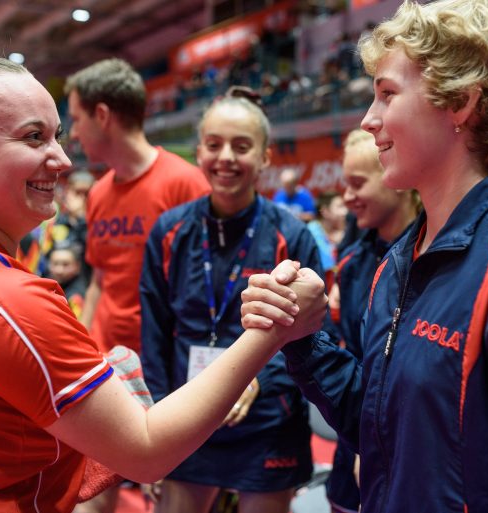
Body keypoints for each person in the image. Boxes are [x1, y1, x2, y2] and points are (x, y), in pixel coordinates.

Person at [0, 54, 328, 513]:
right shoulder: (3, 299)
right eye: (33, 137)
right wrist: (275, 326)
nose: (63, 159)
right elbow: (145, 451)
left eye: (59, 135)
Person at [241, 1, 488, 511]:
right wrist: (304, 338)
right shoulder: (404, 255)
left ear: (461, 104)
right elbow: (385, 431)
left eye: (386, 95)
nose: (367, 120)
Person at [139, 87, 322, 513]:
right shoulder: (169, 232)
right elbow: (155, 337)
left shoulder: (290, 236)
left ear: (264, 157)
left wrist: (256, 378)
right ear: (198, 151)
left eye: (242, 147)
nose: (226, 158)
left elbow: (309, 335)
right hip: (186, 420)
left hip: (266, 423)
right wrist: (154, 434)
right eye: (214, 144)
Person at [64, 58, 210, 357]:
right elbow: (99, 282)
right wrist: (87, 349)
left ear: (102, 115)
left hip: (164, 361)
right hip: (108, 360)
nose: (74, 134)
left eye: (77, 120)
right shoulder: (98, 193)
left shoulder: (186, 184)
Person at [324, 128, 420, 513]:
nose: (346, 198)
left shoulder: (433, 256)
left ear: (394, 177)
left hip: (415, 453)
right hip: (354, 453)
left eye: (356, 184)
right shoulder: (349, 266)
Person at [305, 190, 348, 275]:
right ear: (325, 211)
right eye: (340, 206)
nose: (345, 211)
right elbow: (329, 268)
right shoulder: (312, 232)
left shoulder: (343, 230)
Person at [47, 239, 89, 320]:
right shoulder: (50, 285)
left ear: (77, 266)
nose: (59, 270)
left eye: (66, 264)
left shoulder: (76, 298)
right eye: (55, 264)